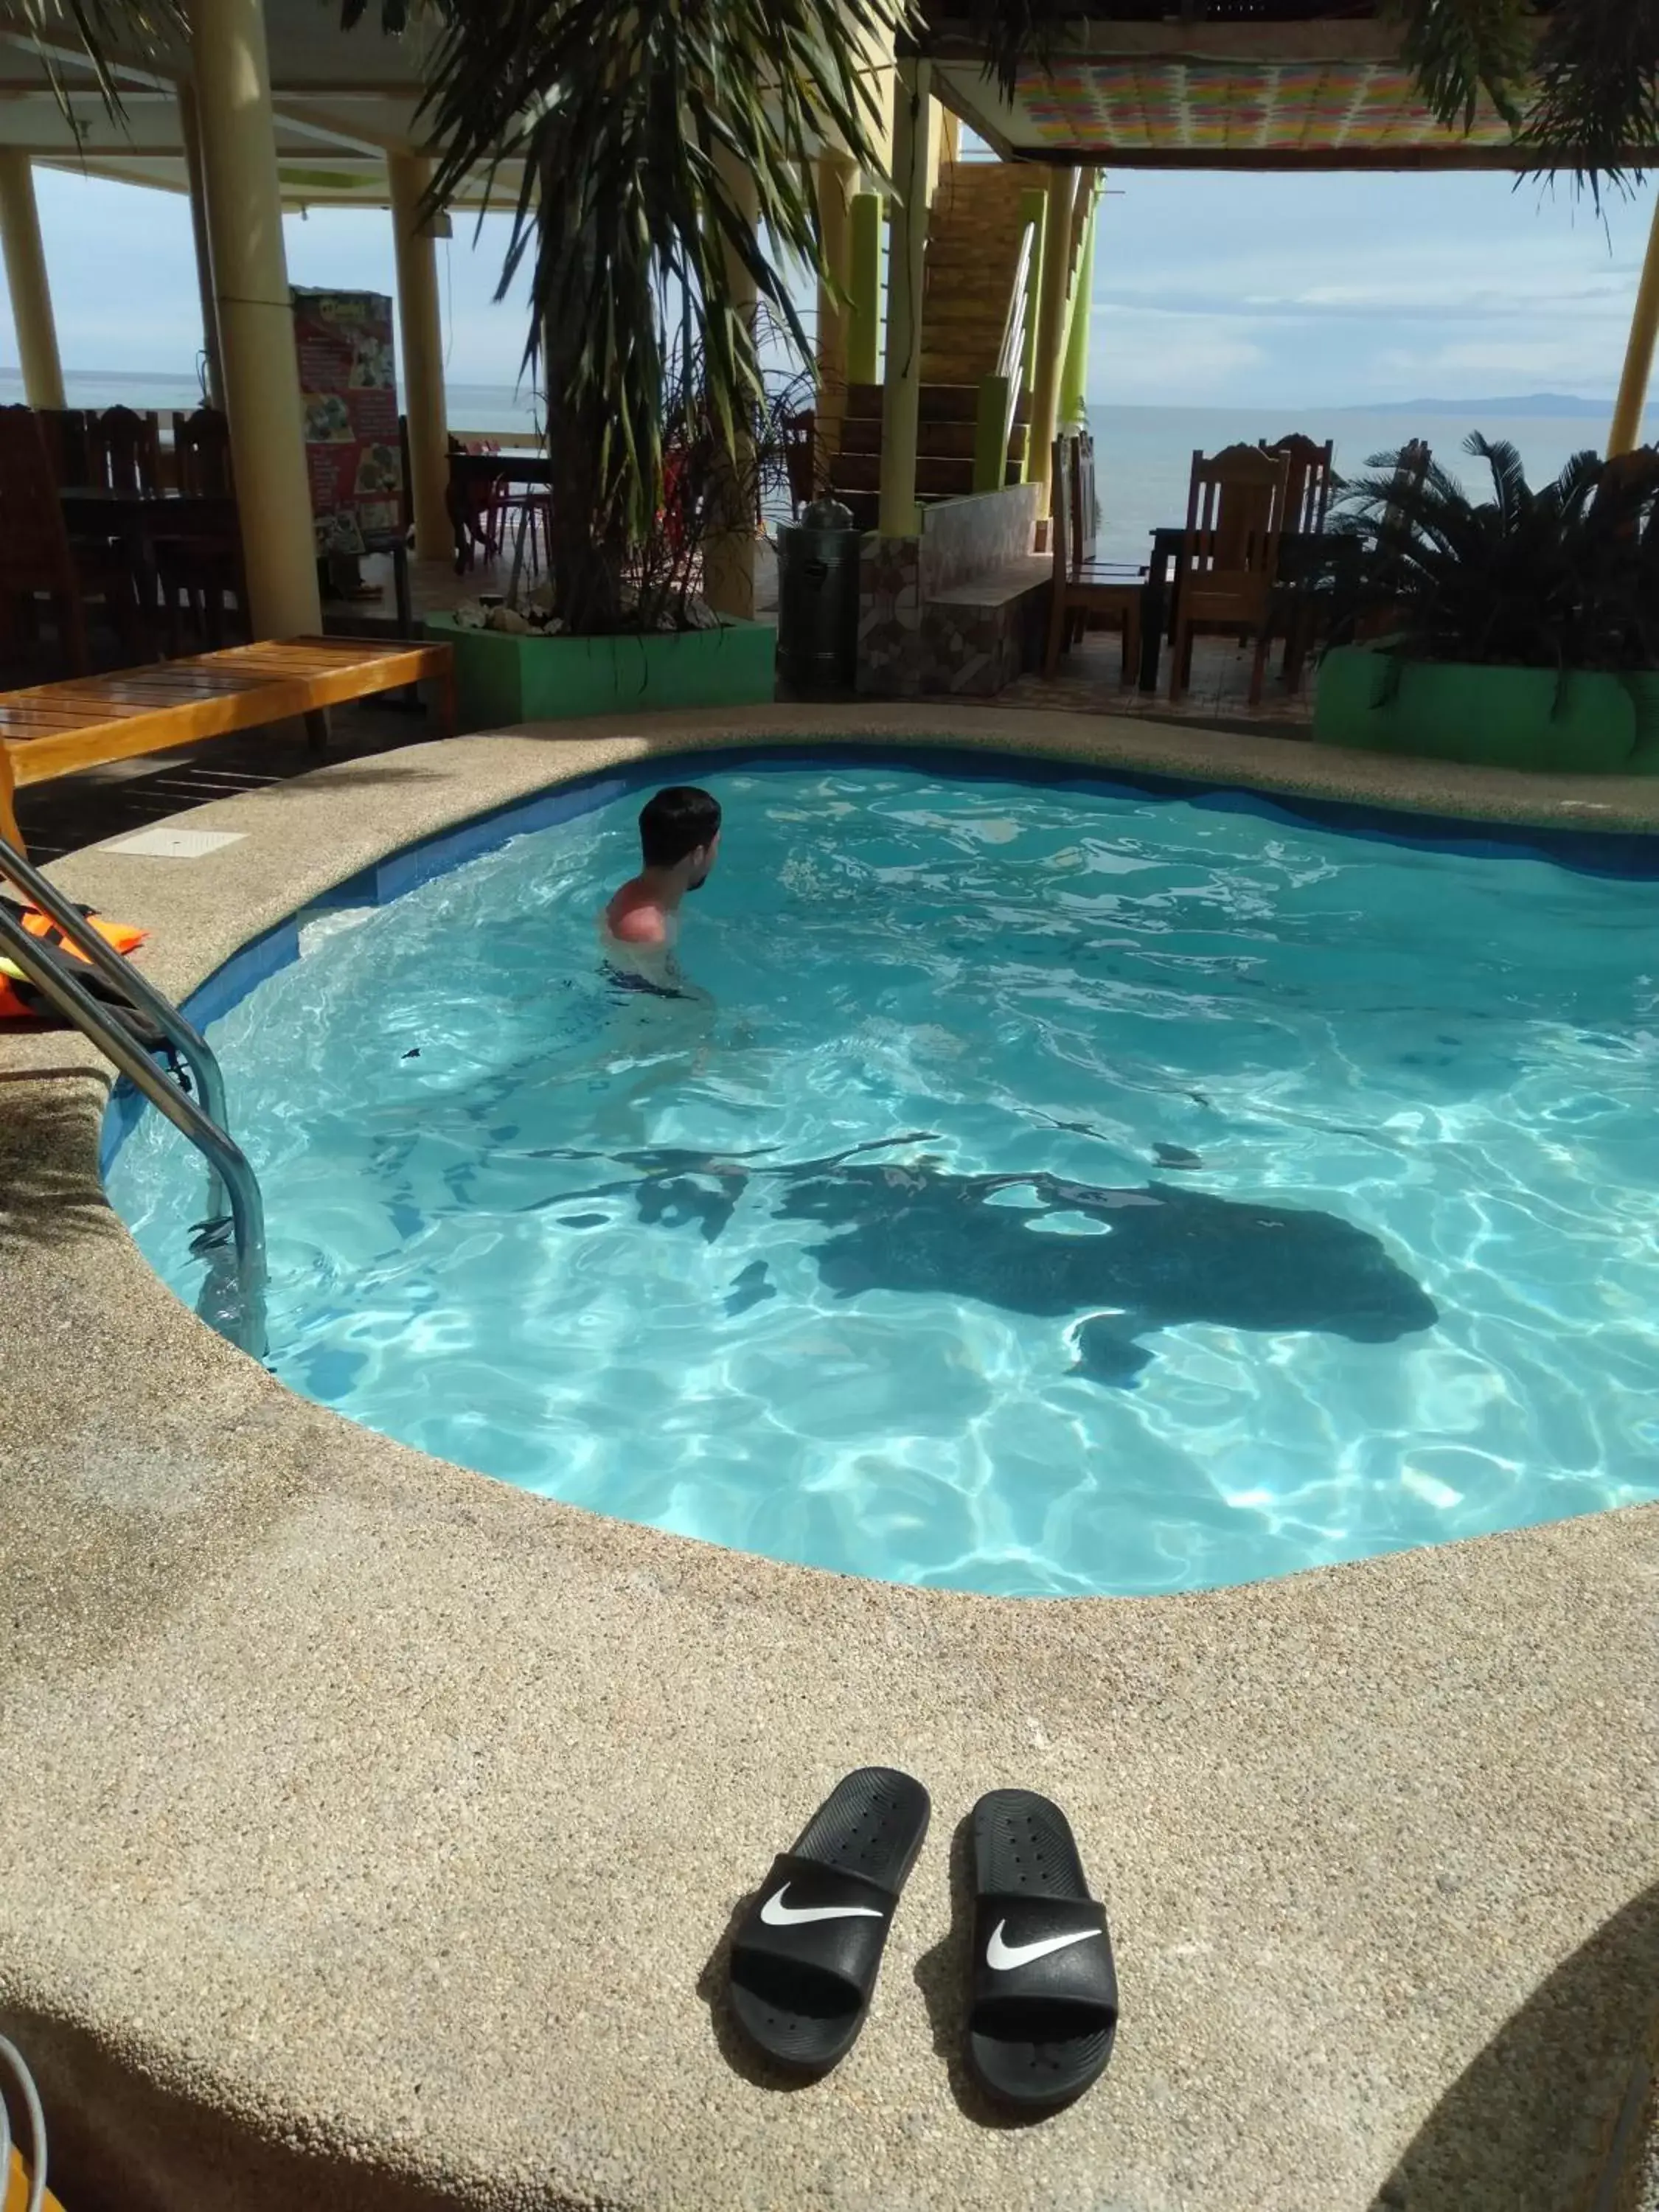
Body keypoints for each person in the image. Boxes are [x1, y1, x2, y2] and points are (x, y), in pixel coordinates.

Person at [599, 785, 721, 995]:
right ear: (698, 855)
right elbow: (653, 1003)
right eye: (716, 845)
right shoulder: (648, 930)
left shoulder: (635, 894)